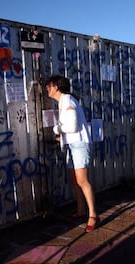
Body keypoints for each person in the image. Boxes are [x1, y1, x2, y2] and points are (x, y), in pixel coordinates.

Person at [46, 74, 98, 233]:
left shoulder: (67, 99)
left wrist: (56, 129)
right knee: (74, 181)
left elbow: (73, 126)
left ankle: (93, 215)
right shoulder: (64, 101)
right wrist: (61, 138)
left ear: (56, 86)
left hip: (79, 145)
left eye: (49, 85)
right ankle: (81, 210)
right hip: (71, 145)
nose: (47, 88)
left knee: (82, 181)